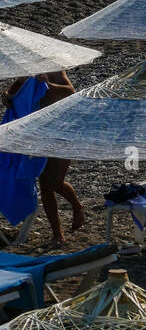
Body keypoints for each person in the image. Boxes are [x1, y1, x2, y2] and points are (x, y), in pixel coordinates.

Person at [1, 72, 85, 244]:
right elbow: (15, 86)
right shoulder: (28, 72)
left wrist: (48, 84)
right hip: (38, 132)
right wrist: (7, 96)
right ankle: (57, 233)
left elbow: (70, 90)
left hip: (62, 130)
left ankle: (77, 206)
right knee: (45, 184)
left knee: (56, 182)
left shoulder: (56, 71)